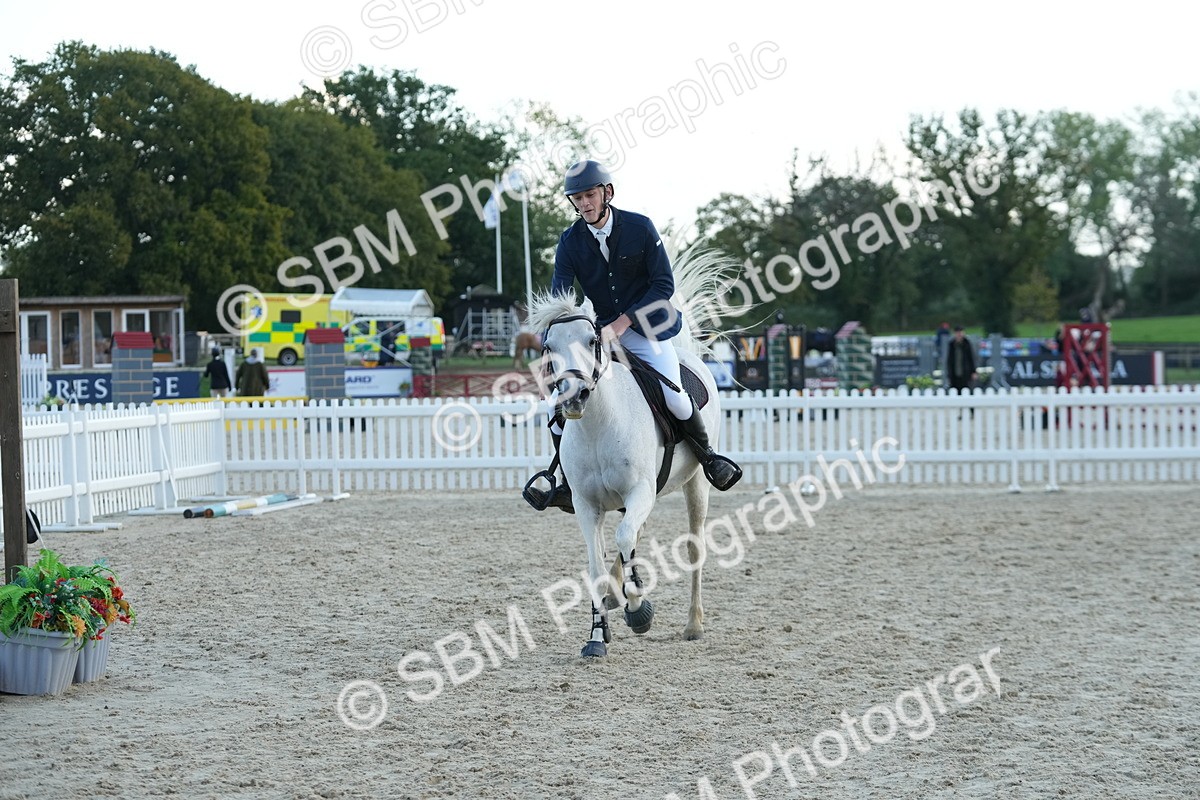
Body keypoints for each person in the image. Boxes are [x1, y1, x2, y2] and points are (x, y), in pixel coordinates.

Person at [523, 160, 741, 513]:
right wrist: (564, 332)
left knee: (675, 397)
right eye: (577, 198)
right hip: (601, 337)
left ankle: (708, 458)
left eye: (589, 195)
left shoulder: (639, 228)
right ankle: (564, 479)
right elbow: (560, 299)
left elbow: (663, 285)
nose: (584, 204)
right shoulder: (570, 242)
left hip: (648, 328)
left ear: (607, 193)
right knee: (557, 402)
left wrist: (623, 323)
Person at [945, 325, 977, 392]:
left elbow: (971, 358)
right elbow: (949, 360)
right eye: (957, 333)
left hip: (965, 372)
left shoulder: (967, 344)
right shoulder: (951, 345)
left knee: (966, 390)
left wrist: (973, 371)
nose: (959, 334)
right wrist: (949, 373)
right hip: (955, 373)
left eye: (961, 332)